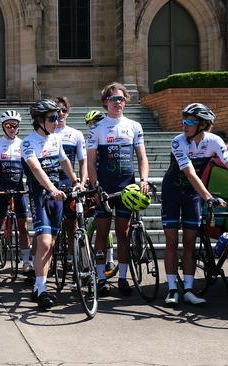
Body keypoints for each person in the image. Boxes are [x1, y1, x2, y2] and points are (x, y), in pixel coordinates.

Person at [161, 103, 228, 306]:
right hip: (172, 193)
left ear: (203, 125)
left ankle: (188, 289)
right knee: (172, 242)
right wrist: (208, 197)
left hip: (192, 196)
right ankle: (172, 289)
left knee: (190, 243)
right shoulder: (178, 141)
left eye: (189, 122)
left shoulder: (214, 141)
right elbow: (189, 172)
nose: (184, 125)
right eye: (184, 121)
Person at [86, 82, 150, 296]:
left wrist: (144, 179)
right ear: (106, 102)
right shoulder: (97, 128)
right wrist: (95, 188)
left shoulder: (134, 126)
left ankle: (123, 278)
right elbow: (90, 162)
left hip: (127, 188)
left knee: (123, 234)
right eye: (114, 99)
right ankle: (101, 278)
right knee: (102, 234)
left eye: (121, 99)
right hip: (104, 188)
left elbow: (142, 157)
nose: (118, 103)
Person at [22, 99, 81, 310]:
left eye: (58, 117)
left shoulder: (56, 139)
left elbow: (64, 161)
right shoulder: (28, 142)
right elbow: (37, 170)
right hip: (41, 196)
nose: (57, 122)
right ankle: (42, 288)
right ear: (39, 120)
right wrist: (51, 190)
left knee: (52, 245)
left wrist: (75, 181)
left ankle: (39, 287)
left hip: (57, 196)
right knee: (45, 243)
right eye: (52, 118)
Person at [0, 110, 31, 282]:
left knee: (23, 227)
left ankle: (26, 262)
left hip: (19, 188)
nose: (12, 128)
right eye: (8, 125)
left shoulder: (23, 144)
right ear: (3, 127)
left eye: (15, 125)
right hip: (1, 189)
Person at [54, 97, 88, 276]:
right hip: (51, 183)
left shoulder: (76, 134)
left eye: (63, 110)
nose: (60, 114)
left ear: (68, 112)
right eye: (57, 111)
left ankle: (73, 258)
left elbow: (83, 161)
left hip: (69, 183)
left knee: (72, 225)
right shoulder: (47, 133)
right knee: (46, 229)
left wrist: (82, 183)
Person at [83, 109, 116, 275]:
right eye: (89, 124)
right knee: (95, 222)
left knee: (104, 226)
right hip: (93, 185)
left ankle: (109, 259)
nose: (92, 126)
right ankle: (88, 256)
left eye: (94, 122)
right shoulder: (91, 139)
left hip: (109, 183)